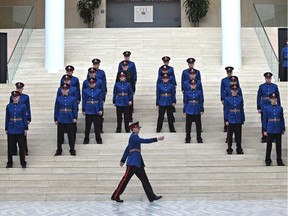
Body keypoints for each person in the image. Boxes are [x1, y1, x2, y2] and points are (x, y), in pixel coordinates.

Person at [111, 121, 164, 203]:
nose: (139, 129)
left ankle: (152, 196)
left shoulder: (134, 137)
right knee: (125, 180)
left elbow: (127, 148)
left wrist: (123, 160)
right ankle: (115, 196)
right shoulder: (133, 137)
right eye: (137, 128)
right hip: (132, 163)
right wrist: (156, 139)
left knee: (145, 180)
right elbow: (144, 141)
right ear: (133, 129)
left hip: (138, 163)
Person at [5, 91, 28, 168]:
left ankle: (23, 162)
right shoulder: (9, 106)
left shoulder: (23, 106)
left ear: (19, 97)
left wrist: (25, 128)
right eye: (14, 96)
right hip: (11, 128)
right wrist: (6, 127)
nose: (15, 98)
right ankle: (9, 162)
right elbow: (7, 118)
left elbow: (24, 117)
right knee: (10, 147)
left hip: (20, 127)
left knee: (21, 147)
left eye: (16, 96)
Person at [54, 83, 78, 156]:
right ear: (62, 90)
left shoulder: (72, 98)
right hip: (61, 118)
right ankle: (59, 149)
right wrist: (56, 118)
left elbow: (75, 108)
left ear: (68, 90)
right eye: (63, 89)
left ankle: (72, 149)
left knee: (71, 135)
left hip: (69, 118)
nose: (65, 91)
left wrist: (75, 117)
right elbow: (56, 108)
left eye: (66, 89)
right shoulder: (58, 98)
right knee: (60, 135)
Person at [257, 72, 281, 143]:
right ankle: (264, 136)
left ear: (271, 78)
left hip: (272, 105)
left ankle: (273, 136)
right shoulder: (261, 86)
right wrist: (259, 107)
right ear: (265, 78)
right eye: (267, 78)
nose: (268, 79)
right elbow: (259, 97)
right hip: (264, 106)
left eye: (269, 78)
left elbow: (278, 97)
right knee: (264, 121)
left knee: (272, 120)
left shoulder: (274, 86)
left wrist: (278, 105)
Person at [262, 92, 285, 166]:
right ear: (270, 99)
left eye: (275, 98)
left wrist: (282, 127)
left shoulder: (280, 108)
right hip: (270, 128)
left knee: (278, 145)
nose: (274, 100)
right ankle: (268, 159)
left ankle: (279, 160)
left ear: (277, 99)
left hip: (278, 128)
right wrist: (264, 129)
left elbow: (281, 118)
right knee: (269, 145)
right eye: (272, 98)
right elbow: (265, 119)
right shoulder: (267, 108)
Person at [9, 82, 31, 156]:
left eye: (20, 88)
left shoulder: (25, 97)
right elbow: (10, 107)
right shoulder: (12, 97)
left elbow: (28, 108)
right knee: (13, 136)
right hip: (15, 118)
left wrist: (29, 118)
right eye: (18, 88)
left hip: (23, 118)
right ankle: (14, 150)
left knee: (23, 136)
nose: (19, 89)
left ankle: (25, 150)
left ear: (22, 88)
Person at [83, 67, 106, 133]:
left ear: (95, 73)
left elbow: (102, 89)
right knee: (88, 121)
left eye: (93, 73)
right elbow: (83, 93)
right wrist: (83, 108)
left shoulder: (99, 81)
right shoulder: (86, 82)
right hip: (89, 104)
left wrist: (103, 98)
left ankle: (100, 129)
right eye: (90, 73)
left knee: (99, 118)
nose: (92, 74)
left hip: (97, 101)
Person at [224, 85, 245, 154]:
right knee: (230, 135)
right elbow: (226, 110)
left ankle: (239, 148)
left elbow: (241, 109)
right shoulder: (227, 99)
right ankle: (229, 148)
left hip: (238, 118)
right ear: (231, 90)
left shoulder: (240, 98)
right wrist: (226, 119)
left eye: (235, 90)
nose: (234, 91)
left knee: (238, 135)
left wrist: (242, 118)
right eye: (233, 90)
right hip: (231, 118)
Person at [82, 78, 103, 144]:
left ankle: (98, 139)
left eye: (93, 83)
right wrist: (83, 109)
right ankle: (86, 139)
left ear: (95, 83)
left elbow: (100, 100)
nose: (92, 84)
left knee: (97, 126)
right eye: (90, 83)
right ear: (89, 84)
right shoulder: (85, 91)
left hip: (96, 109)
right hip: (88, 109)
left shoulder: (99, 91)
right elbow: (84, 100)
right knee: (87, 126)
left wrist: (100, 109)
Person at [183, 79, 204, 143]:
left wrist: (201, 109)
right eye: (192, 85)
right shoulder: (187, 92)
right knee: (188, 125)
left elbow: (200, 101)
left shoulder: (199, 92)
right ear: (190, 85)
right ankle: (188, 137)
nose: (193, 86)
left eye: (194, 85)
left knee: (198, 125)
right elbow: (185, 102)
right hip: (189, 109)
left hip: (197, 109)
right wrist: (184, 110)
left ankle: (199, 137)